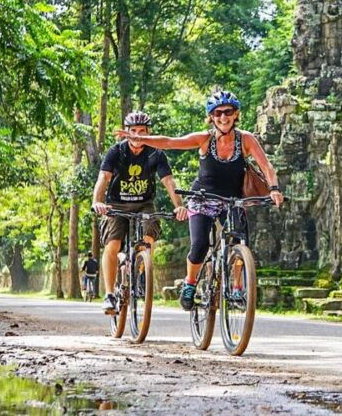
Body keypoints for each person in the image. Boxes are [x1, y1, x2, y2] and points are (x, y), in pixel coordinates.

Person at [115, 88, 284, 311]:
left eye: (228, 112)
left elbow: (266, 166)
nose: (223, 117)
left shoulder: (246, 140)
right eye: (217, 113)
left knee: (240, 243)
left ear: (236, 115)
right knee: (200, 245)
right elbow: (170, 142)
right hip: (202, 199)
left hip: (232, 200)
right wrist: (140, 138)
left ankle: (236, 288)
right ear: (211, 117)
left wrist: (274, 189)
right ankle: (190, 283)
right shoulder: (204, 139)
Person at [92, 111, 188, 314]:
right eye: (133, 131)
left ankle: (136, 266)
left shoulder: (156, 153)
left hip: (145, 204)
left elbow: (168, 181)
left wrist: (179, 205)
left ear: (148, 133)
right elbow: (103, 177)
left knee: (147, 239)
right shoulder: (116, 152)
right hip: (116, 205)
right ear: (126, 133)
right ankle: (109, 295)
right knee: (113, 244)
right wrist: (97, 202)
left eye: (142, 131)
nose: (137, 135)